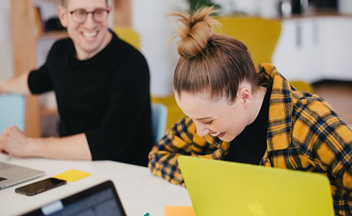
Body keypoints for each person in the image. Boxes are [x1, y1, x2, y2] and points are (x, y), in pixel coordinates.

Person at [148, 7, 352, 215]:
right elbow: (159, 156)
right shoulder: (207, 116)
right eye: (193, 118)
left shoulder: (309, 120)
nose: (199, 130)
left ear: (244, 96)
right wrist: (214, 179)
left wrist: (302, 202)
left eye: (207, 121)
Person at [0, 0, 153, 167]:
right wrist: (2, 85)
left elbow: (110, 142)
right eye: (80, 12)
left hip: (125, 173)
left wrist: (28, 145)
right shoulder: (60, 51)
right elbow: (35, 81)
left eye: (98, 12)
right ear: (63, 16)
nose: (90, 23)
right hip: (73, 167)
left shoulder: (131, 64)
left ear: (109, 12)